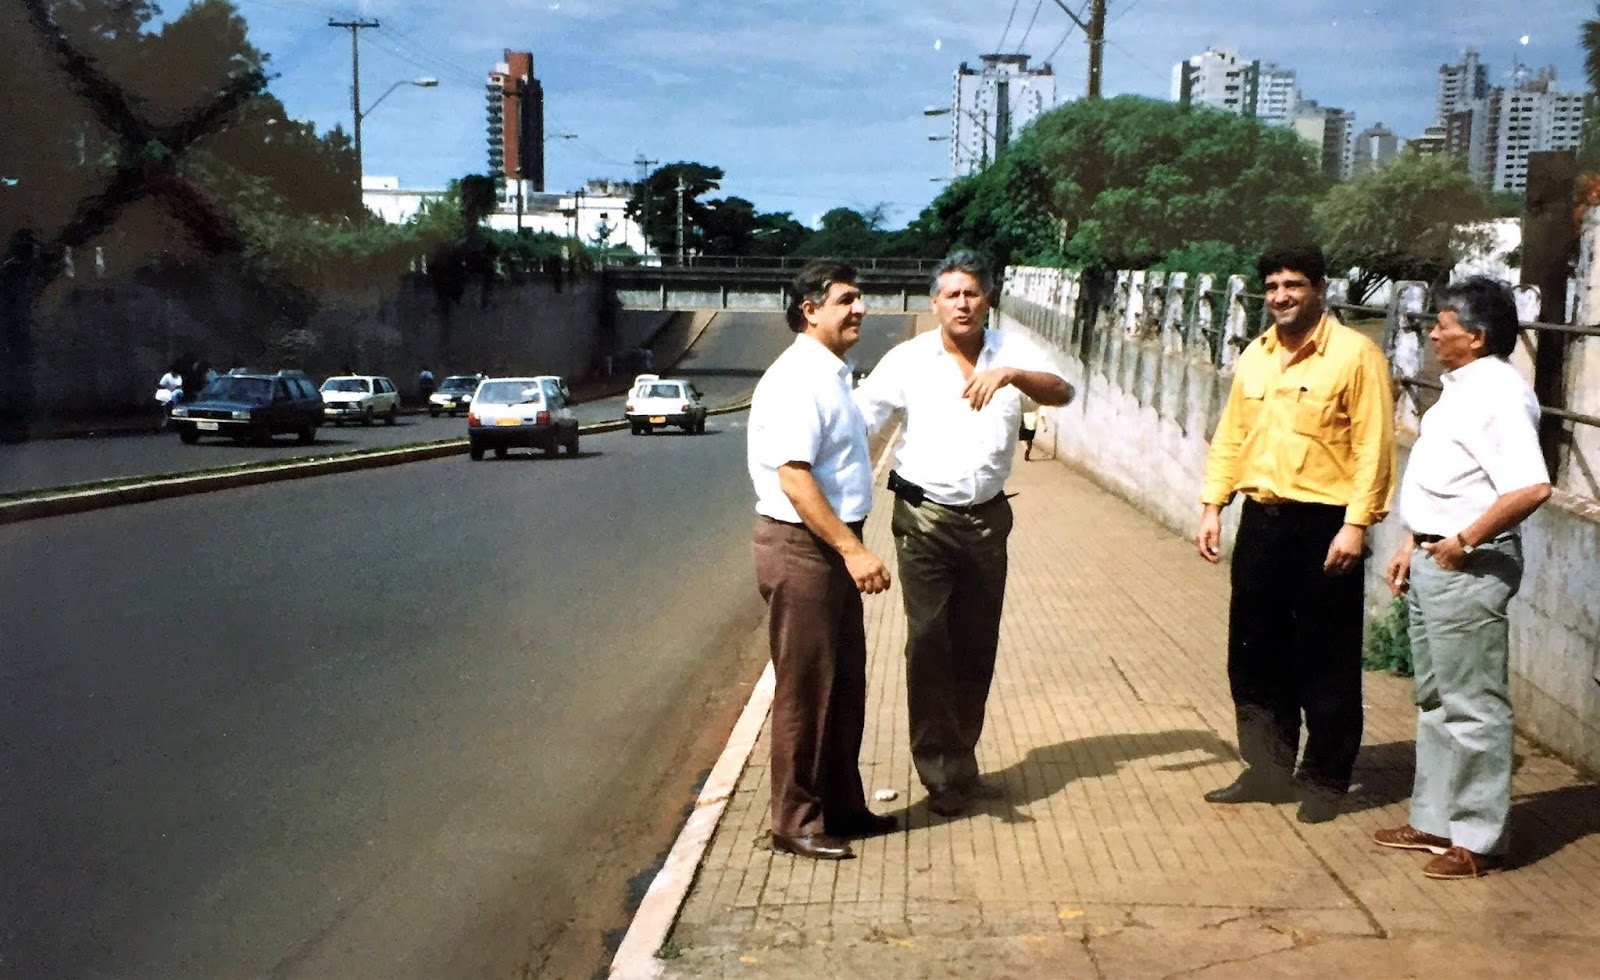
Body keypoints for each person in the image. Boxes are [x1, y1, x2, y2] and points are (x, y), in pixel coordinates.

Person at [854, 250, 1074, 818]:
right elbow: (860, 421)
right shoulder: (908, 359)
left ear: (988, 300)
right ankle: (938, 774)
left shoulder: (1008, 352)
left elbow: (1062, 391)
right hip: (924, 518)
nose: (962, 303)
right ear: (934, 304)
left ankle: (963, 764)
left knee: (976, 643)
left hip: (988, 520)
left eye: (972, 293)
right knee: (929, 641)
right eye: (951, 294)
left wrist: (1010, 375)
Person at [1194, 243, 1396, 824]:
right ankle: (1267, 770)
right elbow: (1231, 436)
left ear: (1320, 289)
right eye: (1274, 286)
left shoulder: (1356, 355)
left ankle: (1327, 780)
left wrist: (1356, 525)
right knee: (1253, 655)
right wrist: (1213, 505)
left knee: (1324, 658)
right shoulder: (1255, 356)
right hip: (1261, 521)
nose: (1281, 296)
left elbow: (1374, 446)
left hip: (1325, 526)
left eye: (1294, 285)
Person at [1375, 277, 1551, 879]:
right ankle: (1434, 820)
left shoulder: (1499, 395)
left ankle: (1476, 840)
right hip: (1432, 557)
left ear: (1474, 337)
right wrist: (1412, 541)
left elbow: (1531, 486)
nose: (1432, 332)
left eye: (1443, 323)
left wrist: (1461, 542)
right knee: (1434, 699)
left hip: (1467, 565)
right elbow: (1449, 481)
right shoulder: (1461, 390)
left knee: (1473, 704)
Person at [747, 260, 895, 861]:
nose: (859, 309)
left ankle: (840, 806)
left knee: (845, 684)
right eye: (847, 300)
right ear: (810, 311)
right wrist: (853, 549)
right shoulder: (796, 379)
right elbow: (794, 478)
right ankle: (795, 822)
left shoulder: (832, 373)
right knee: (805, 691)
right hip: (804, 547)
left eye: (859, 299)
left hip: (827, 548)